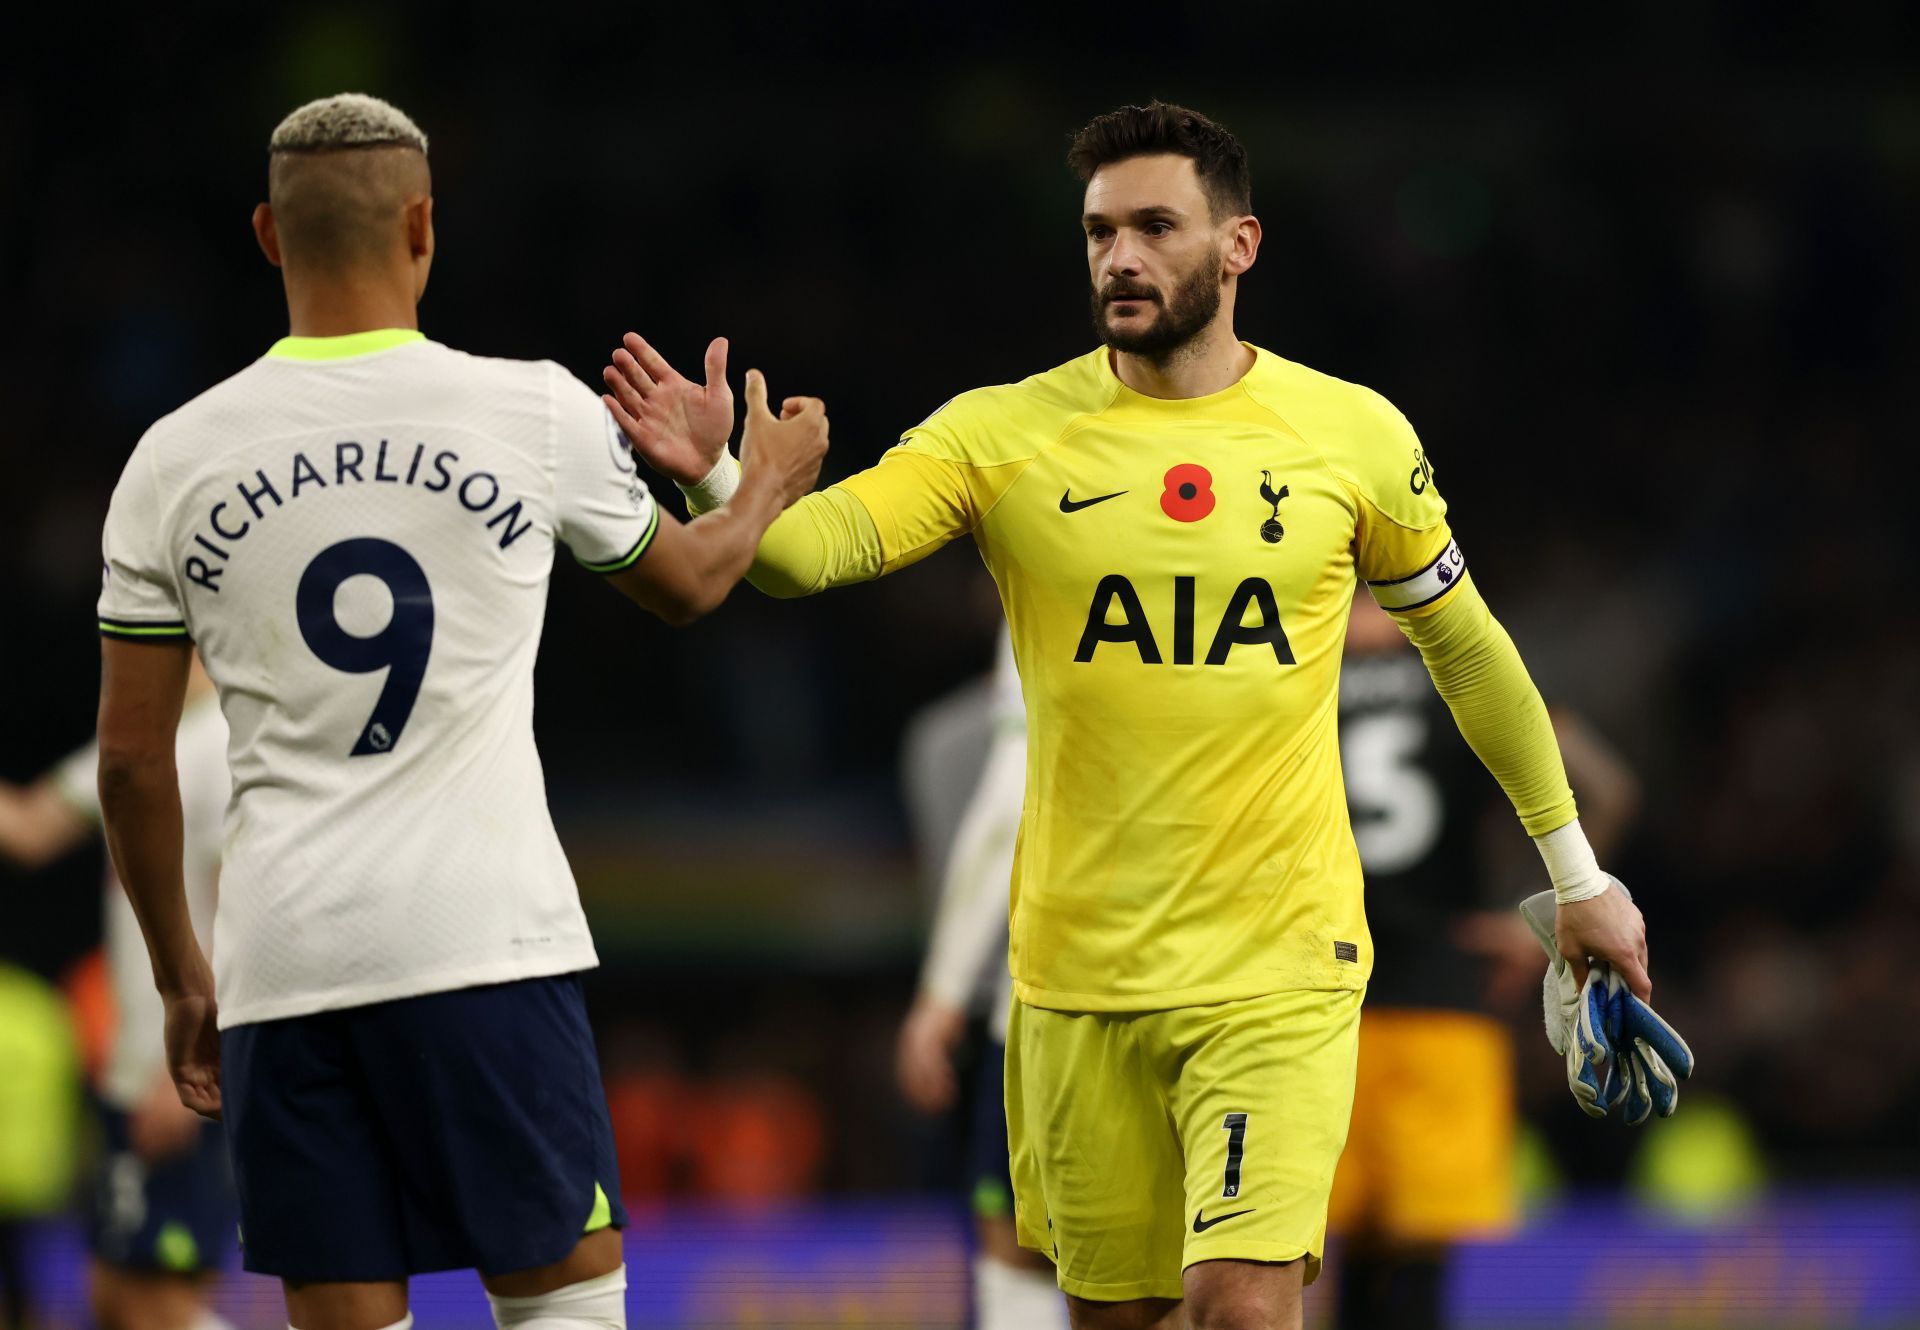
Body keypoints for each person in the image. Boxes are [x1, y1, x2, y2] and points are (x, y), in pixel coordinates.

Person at [605, 100, 1655, 1330]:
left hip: (1280, 962)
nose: (1121, 256)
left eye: (1157, 226)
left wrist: (1574, 872)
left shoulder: (1351, 436)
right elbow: (804, 554)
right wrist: (728, 477)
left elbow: (1470, 652)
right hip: (1076, 977)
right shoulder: (1001, 434)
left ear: (1240, 245)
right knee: (1120, 1319)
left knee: (1243, 1306)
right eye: (1102, 230)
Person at [92, 93, 827, 1330]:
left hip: (282, 967)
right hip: (488, 949)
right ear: (424, 226)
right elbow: (695, 584)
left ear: (270, 235)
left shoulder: (173, 457)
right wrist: (754, 485)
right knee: (562, 1309)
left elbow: (130, 761)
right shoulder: (529, 411)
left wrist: (179, 976)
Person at [1327, 593, 1641, 1330]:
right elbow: (1611, 788)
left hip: (1313, 1000)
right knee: (1418, 1273)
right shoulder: (1461, 665)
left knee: (1308, 1265)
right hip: (1445, 1002)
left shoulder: (1288, 666)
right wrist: (1534, 915)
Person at [0, 655, 234, 1330]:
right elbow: (30, 827)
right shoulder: (140, 743)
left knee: (150, 1306)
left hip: (187, 1073)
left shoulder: (221, 746)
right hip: (139, 1070)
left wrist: (197, 1061)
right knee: (112, 1293)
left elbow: (244, 912)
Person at [896, 627, 1070, 1330]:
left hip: (1052, 994)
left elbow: (1008, 812)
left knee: (1020, 1254)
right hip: (1222, 991)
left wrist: (941, 995)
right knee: (1190, 1270)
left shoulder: (1047, 564)